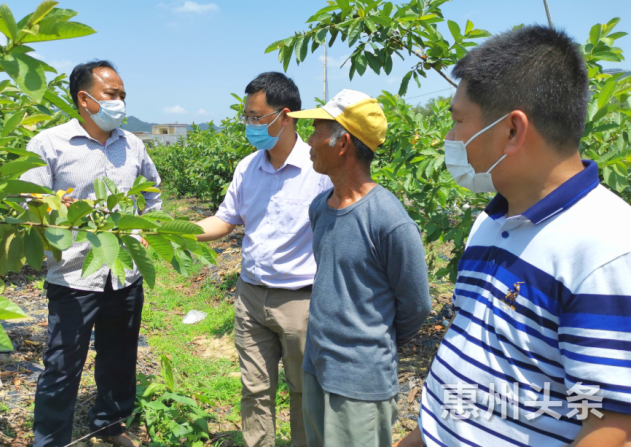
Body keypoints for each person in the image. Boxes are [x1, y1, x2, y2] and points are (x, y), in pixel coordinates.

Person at [397, 26, 631, 447]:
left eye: (457, 121)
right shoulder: (489, 223)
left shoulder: (605, 249)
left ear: (512, 131)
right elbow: (472, 357)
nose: (449, 139)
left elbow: (612, 427)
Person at [21, 60, 161, 447]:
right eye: (111, 95)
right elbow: (29, 207)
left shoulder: (132, 144)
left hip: (125, 273)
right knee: (63, 366)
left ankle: (110, 425)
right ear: (85, 99)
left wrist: (147, 228)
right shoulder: (48, 144)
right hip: (73, 275)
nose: (120, 103)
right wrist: (57, 215)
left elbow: (152, 194)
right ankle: (50, 439)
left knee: (119, 358)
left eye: (122, 96)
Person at [195, 72, 332, 447]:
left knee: (305, 391)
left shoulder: (319, 170)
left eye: (256, 117)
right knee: (255, 390)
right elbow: (225, 220)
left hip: (300, 301)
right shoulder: (247, 167)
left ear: (284, 116)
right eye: (247, 117)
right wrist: (174, 231)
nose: (250, 125)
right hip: (251, 297)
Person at [289, 89, 432, 447]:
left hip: (360, 383)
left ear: (342, 143)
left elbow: (416, 305)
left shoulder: (388, 219)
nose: (308, 140)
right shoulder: (320, 207)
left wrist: (370, 342)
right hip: (317, 366)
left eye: (317, 129)